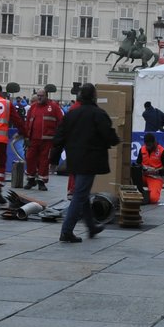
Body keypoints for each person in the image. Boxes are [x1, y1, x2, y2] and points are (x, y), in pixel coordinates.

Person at [52, 82, 118, 243]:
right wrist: (115, 139)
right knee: (80, 195)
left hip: (74, 160)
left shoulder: (71, 114)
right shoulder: (98, 114)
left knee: (83, 193)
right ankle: (66, 231)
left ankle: (91, 226)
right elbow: (108, 135)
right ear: (94, 96)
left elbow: (58, 138)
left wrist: (53, 160)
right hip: (90, 160)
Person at [23, 85, 64, 191]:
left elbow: (61, 122)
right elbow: (27, 122)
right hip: (33, 139)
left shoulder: (54, 107)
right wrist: (26, 137)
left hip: (47, 139)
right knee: (30, 158)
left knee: (44, 161)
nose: (40, 97)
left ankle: (41, 181)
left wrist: (58, 137)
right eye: (38, 95)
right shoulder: (33, 107)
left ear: (46, 96)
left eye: (42, 96)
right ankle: (31, 179)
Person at [137, 131, 164, 205]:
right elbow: (138, 163)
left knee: (153, 199)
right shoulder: (142, 149)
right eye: (146, 145)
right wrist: (140, 169)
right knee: (129, 179)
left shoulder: (162, 152)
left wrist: (157, 172)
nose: (148, 147)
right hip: (142, 175)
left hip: (155, 177)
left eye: (150, 145)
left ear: (154, 143)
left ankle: (147, 196)